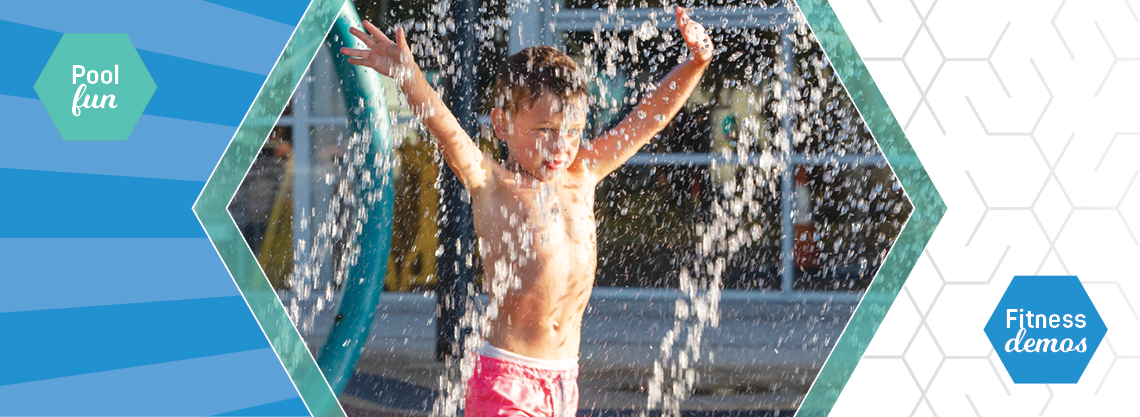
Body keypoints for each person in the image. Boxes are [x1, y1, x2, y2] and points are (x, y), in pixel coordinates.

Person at [341, 7, 712, 416]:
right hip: (507, 380)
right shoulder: (492, 184)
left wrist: (696, 63)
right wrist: (408, 75)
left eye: (572, 132)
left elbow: (647, 120)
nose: (561, 147)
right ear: (502, 123)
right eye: (545, 131)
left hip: (563, 381)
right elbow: (446, 129)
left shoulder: (582, 174)